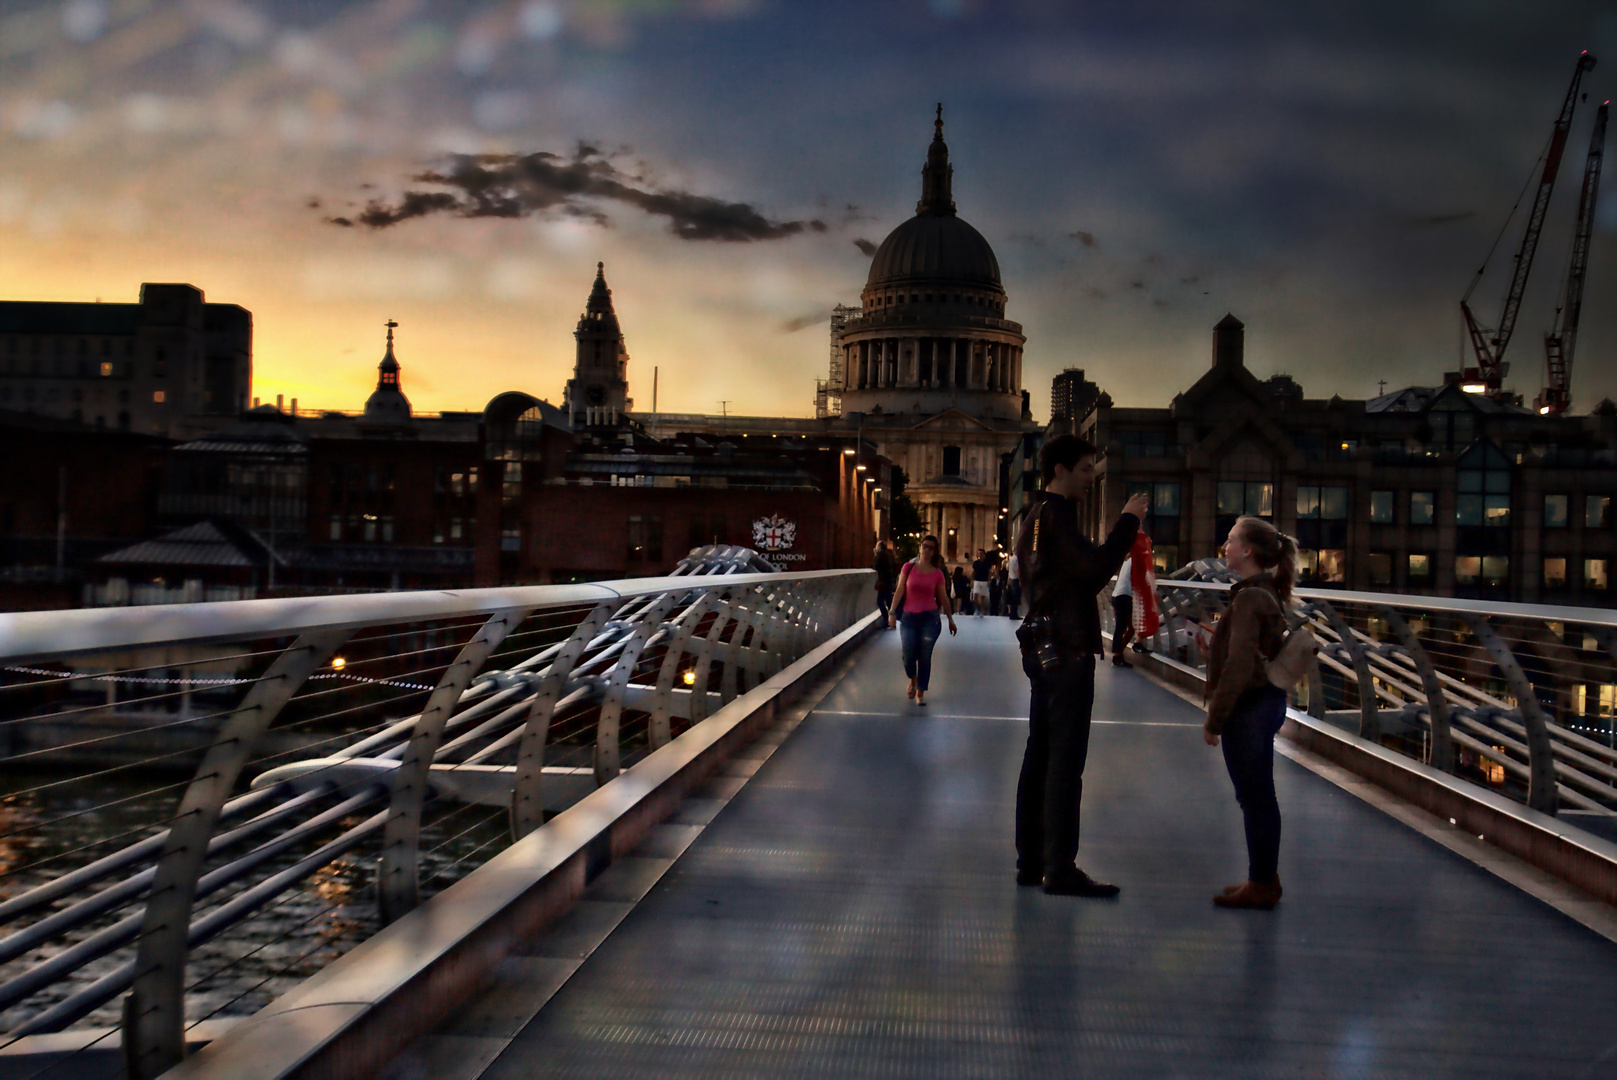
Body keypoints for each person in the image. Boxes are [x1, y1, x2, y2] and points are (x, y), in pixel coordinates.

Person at [1013, 434, 1150, 897]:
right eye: (1088, 469)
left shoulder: (1031, 517)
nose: (1092, 478)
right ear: (1060, 470)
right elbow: (1094, 570)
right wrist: (1128, 522)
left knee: (1039, 755)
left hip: (1041, 646)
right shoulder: (1058, 516)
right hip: (1067, 649)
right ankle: (1060, 867)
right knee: (1065, 761)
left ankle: (1031, 860)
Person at [1203, 515, 1297, 911]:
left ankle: (1261, 882)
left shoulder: (1250, 597)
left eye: (1230, 541)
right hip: (1266, 703)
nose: (1224, 547)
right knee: (1259, 795)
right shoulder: (1264, 593)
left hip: (1249, 709)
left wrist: (1215, 718)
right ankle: (1263, 878)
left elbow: (1241, 664)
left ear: (1248, 551)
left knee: (1255, 798)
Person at [888, 534, 957, 705]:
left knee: (925, 656)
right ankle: (912, 678)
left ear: (935, 552)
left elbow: (943, 598)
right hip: (909, 617)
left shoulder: (938, 574)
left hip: (930, 619)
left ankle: (920, 691)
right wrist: (892, 612)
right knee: (908, 654)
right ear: (920, 548)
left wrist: (950, 619)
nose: (927, 550)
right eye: (924, 546)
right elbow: (900, 590)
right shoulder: (908, 568)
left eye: (931, 548)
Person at [1111, 556, 1135, 666]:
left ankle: (1117, 655)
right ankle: (1117, 654)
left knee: (1120, 627)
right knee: (1129, 628)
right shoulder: (1136, 559)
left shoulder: (1126, 560)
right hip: (1125, 595)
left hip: (1116, 595)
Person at [873, 540, 897, 626]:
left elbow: (875, 566)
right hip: (889, 581)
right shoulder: (889, 555)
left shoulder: (880, 555)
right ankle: (891, 621)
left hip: (883, 582)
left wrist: (876, 554)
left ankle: (887, 621)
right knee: (889, 602)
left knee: (880, 602)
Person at [970, 549, 993, 616]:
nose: (980, 555)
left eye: (981, 553)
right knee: (975, 596)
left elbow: (989, 572)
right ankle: (977, 609)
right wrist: (972, 580)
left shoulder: (987, 563)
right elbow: (973, 572)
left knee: (982, 597)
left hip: (984, 580)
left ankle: (982, 611)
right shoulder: (976, 563)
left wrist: (989, 580)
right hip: (977, 580)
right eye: (979, 553)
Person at [1005, 551, 1022, 619]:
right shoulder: (1016, 559)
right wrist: (1020, 580)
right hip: (1015, 579)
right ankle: (1014, 614)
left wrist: (1008, 582)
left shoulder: (1011, 559)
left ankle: (1012, 613)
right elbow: (1017, 570)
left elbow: (1010, 571)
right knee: (1016, 597)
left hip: (1011, 579)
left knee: (1012, 597)